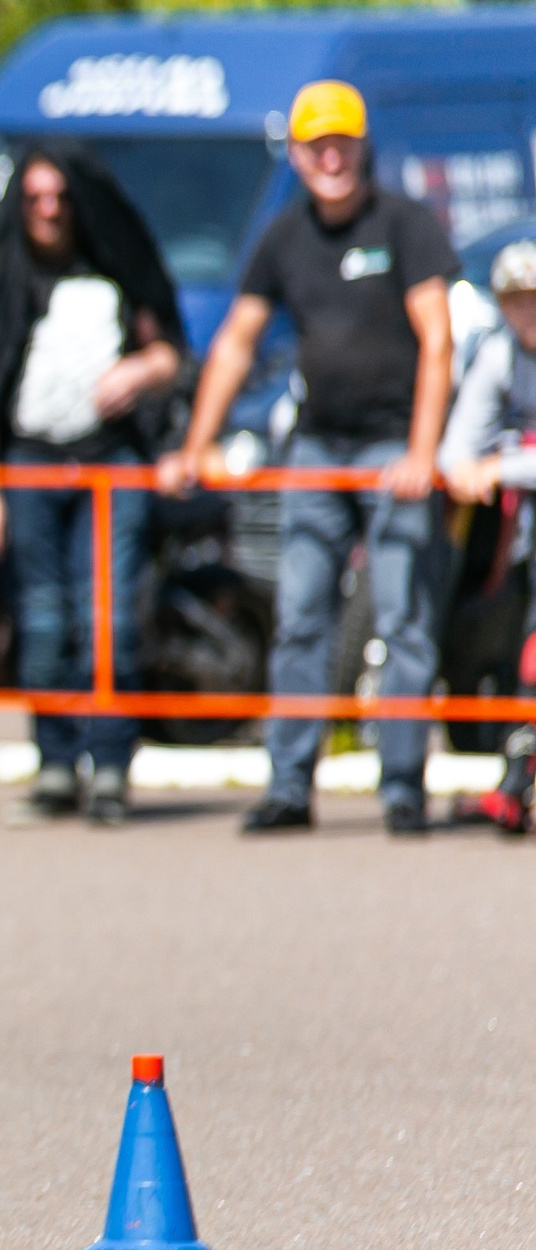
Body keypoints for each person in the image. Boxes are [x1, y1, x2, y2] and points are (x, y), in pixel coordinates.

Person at [159, 80, 458, 837]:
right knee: (300, 618)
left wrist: (423, 452)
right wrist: (195, 446)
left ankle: (401, 788)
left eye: (343, 142)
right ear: (295, 153)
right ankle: (290, 784)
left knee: (403, 618)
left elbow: (437, 342)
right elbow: (234, 342)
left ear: (363, 146)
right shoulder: (285, 238)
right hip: (319, 448)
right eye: (316, 144)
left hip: (394, 450)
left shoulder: (406, 223)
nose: (330, 156)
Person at [0, 145, 182, 826]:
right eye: (35, 198)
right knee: (41, 622)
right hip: (30, 468)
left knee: (109, 622)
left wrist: (136, 373)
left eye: (59, 198)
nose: (47, 211)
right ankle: (56, 765)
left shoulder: (113, 274)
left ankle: (110, 768)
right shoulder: (4, 277)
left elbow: (169, 351)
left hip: (109, 467)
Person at [438, 239, 536, 831]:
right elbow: (455, 452)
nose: (528, 312)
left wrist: (500, 466)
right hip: (524, 540)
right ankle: (517, 778)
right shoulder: (499, 355)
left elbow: (483, 463)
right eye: (516, 300)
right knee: (518, 651)